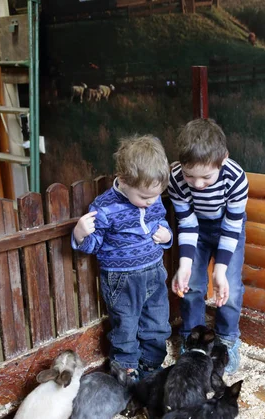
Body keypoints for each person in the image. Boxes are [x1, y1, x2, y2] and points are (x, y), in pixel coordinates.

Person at [72, 135, 172, 380]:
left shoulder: (153, 197)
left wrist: (166, 235)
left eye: (155, 196)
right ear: (125, 180)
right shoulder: (104, 207)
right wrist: (80, 234)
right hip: (122, 279)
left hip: (155, 271)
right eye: (145, 197)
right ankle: (126, 378)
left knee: (157, 324)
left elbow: (159, 219)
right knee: (126, 328)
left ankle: (152, 371)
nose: (151, 203)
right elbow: (94, 246)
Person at [168, 118, 249, 374]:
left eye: (206, 177)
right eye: (190, 175)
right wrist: (184, 264)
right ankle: (192, 341)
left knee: (231, 288)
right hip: (196, 230)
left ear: (223, 159)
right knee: (191, 285)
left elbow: (232, 226)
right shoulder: (176, 178)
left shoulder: (236, 178)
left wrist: (221, 269)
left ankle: (226, 341)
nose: (198, 184)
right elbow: (187, 222)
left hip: (229, 229)